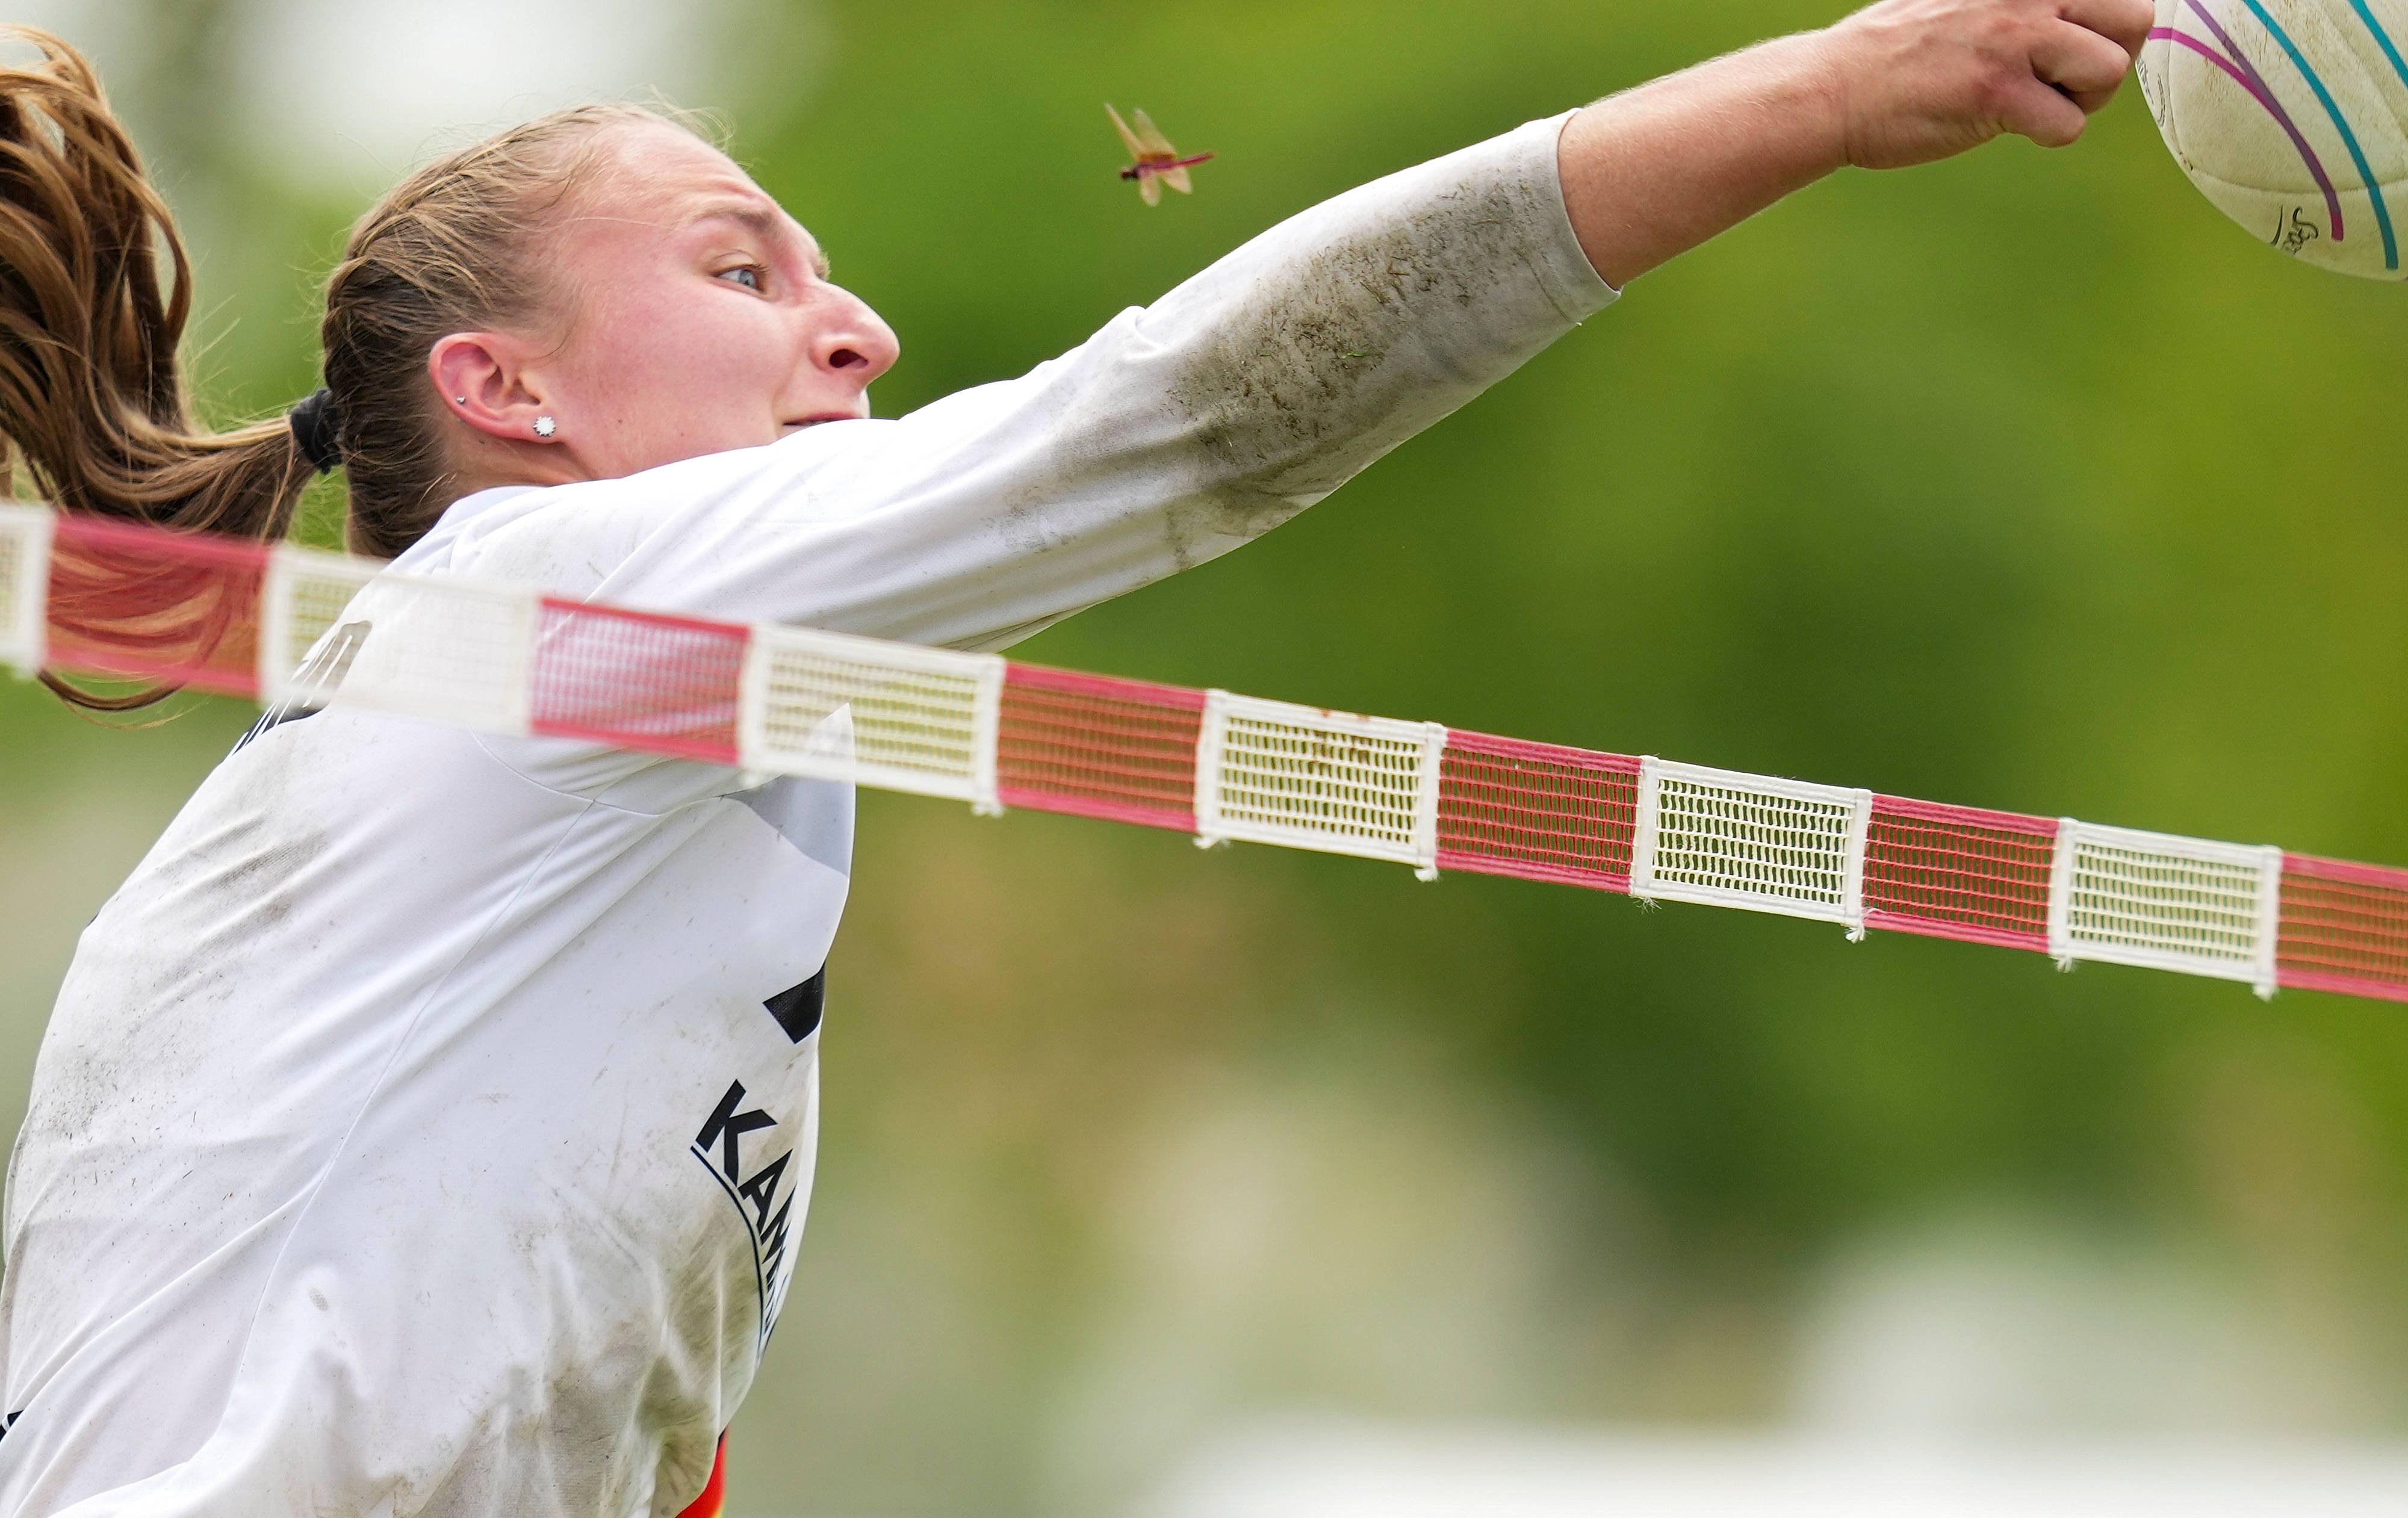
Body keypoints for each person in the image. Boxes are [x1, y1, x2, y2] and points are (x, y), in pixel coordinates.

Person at [0, 1, 2151, 1513]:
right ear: (510, 392)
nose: (860, 331)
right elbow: (1193, 416)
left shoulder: (598, 787)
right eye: (744, 268)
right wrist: (1833, 88)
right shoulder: (547, 600)